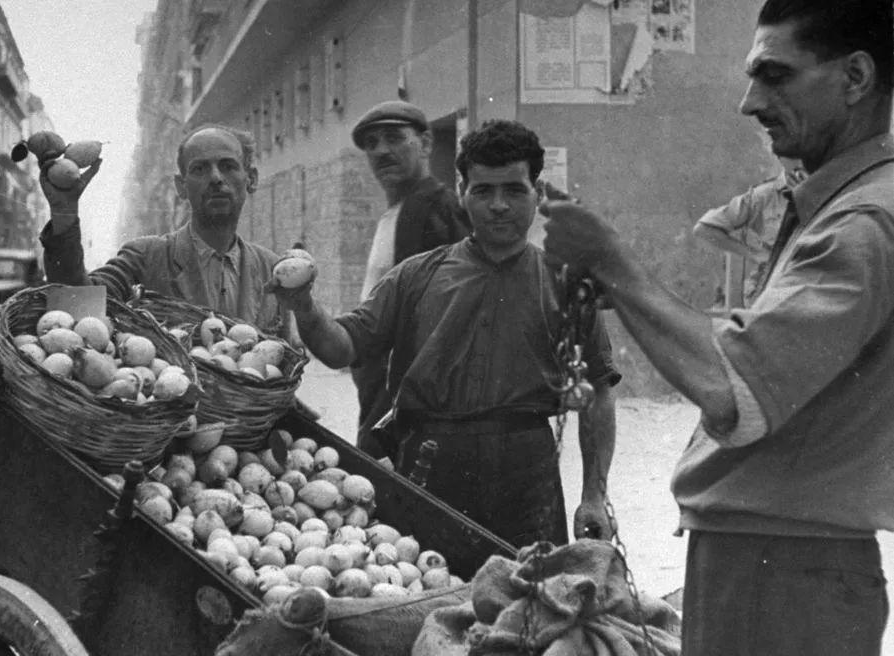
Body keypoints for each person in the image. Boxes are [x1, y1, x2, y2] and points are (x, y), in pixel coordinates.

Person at [541, 0, 893, 653]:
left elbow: (732, 389)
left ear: (854, 78)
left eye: (775, 75)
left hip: (784, 575)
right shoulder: (837, 206)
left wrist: (609, 259)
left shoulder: (859, 226)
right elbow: (748, 352)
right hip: (779, 566)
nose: (748, 102)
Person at [269, 119, 621, 548]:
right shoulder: (417, 276)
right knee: (429, 592)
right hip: (431, 468)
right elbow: (342, 348)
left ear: (538, 193)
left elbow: (598, 390)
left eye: (513, 190)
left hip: (529, 474)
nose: (497, 205)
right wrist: (304, 307)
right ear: (461, 192)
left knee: (532, 602)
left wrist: (594, 496)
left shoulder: (564, 284)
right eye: (482, 190)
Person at [39, 124, 292, 338]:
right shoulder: (145, 258)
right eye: (199, 169)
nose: (216, 178)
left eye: (228, 166)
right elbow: (75, 309)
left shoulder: (272, 270)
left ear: (252, 179)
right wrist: (64, 213)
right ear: (181, 187)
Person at [349, 100, 470, 458]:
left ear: (427, 144)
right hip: (381, 391)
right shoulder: (397, 213)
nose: (381, 151)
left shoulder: (435, 209)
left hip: (408, 402)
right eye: (371, 143)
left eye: (394, 138)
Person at [692, 157, 806, 305]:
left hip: (812, 282)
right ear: (781, 157)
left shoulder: (829, 192)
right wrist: (754, 254)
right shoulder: (764, 195)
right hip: (770, 286)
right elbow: (704, 229)